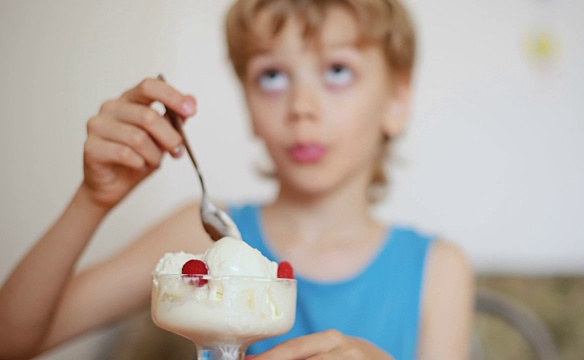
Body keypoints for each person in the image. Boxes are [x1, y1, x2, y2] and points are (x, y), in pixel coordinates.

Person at [0, 0, 474, 359]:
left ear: (397, 99)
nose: (301, 107)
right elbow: (13, 340)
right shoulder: (202, 236)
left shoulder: (439, 270)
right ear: (248, 104)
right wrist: (92, 200)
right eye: (272, 77)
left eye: (336, 70)